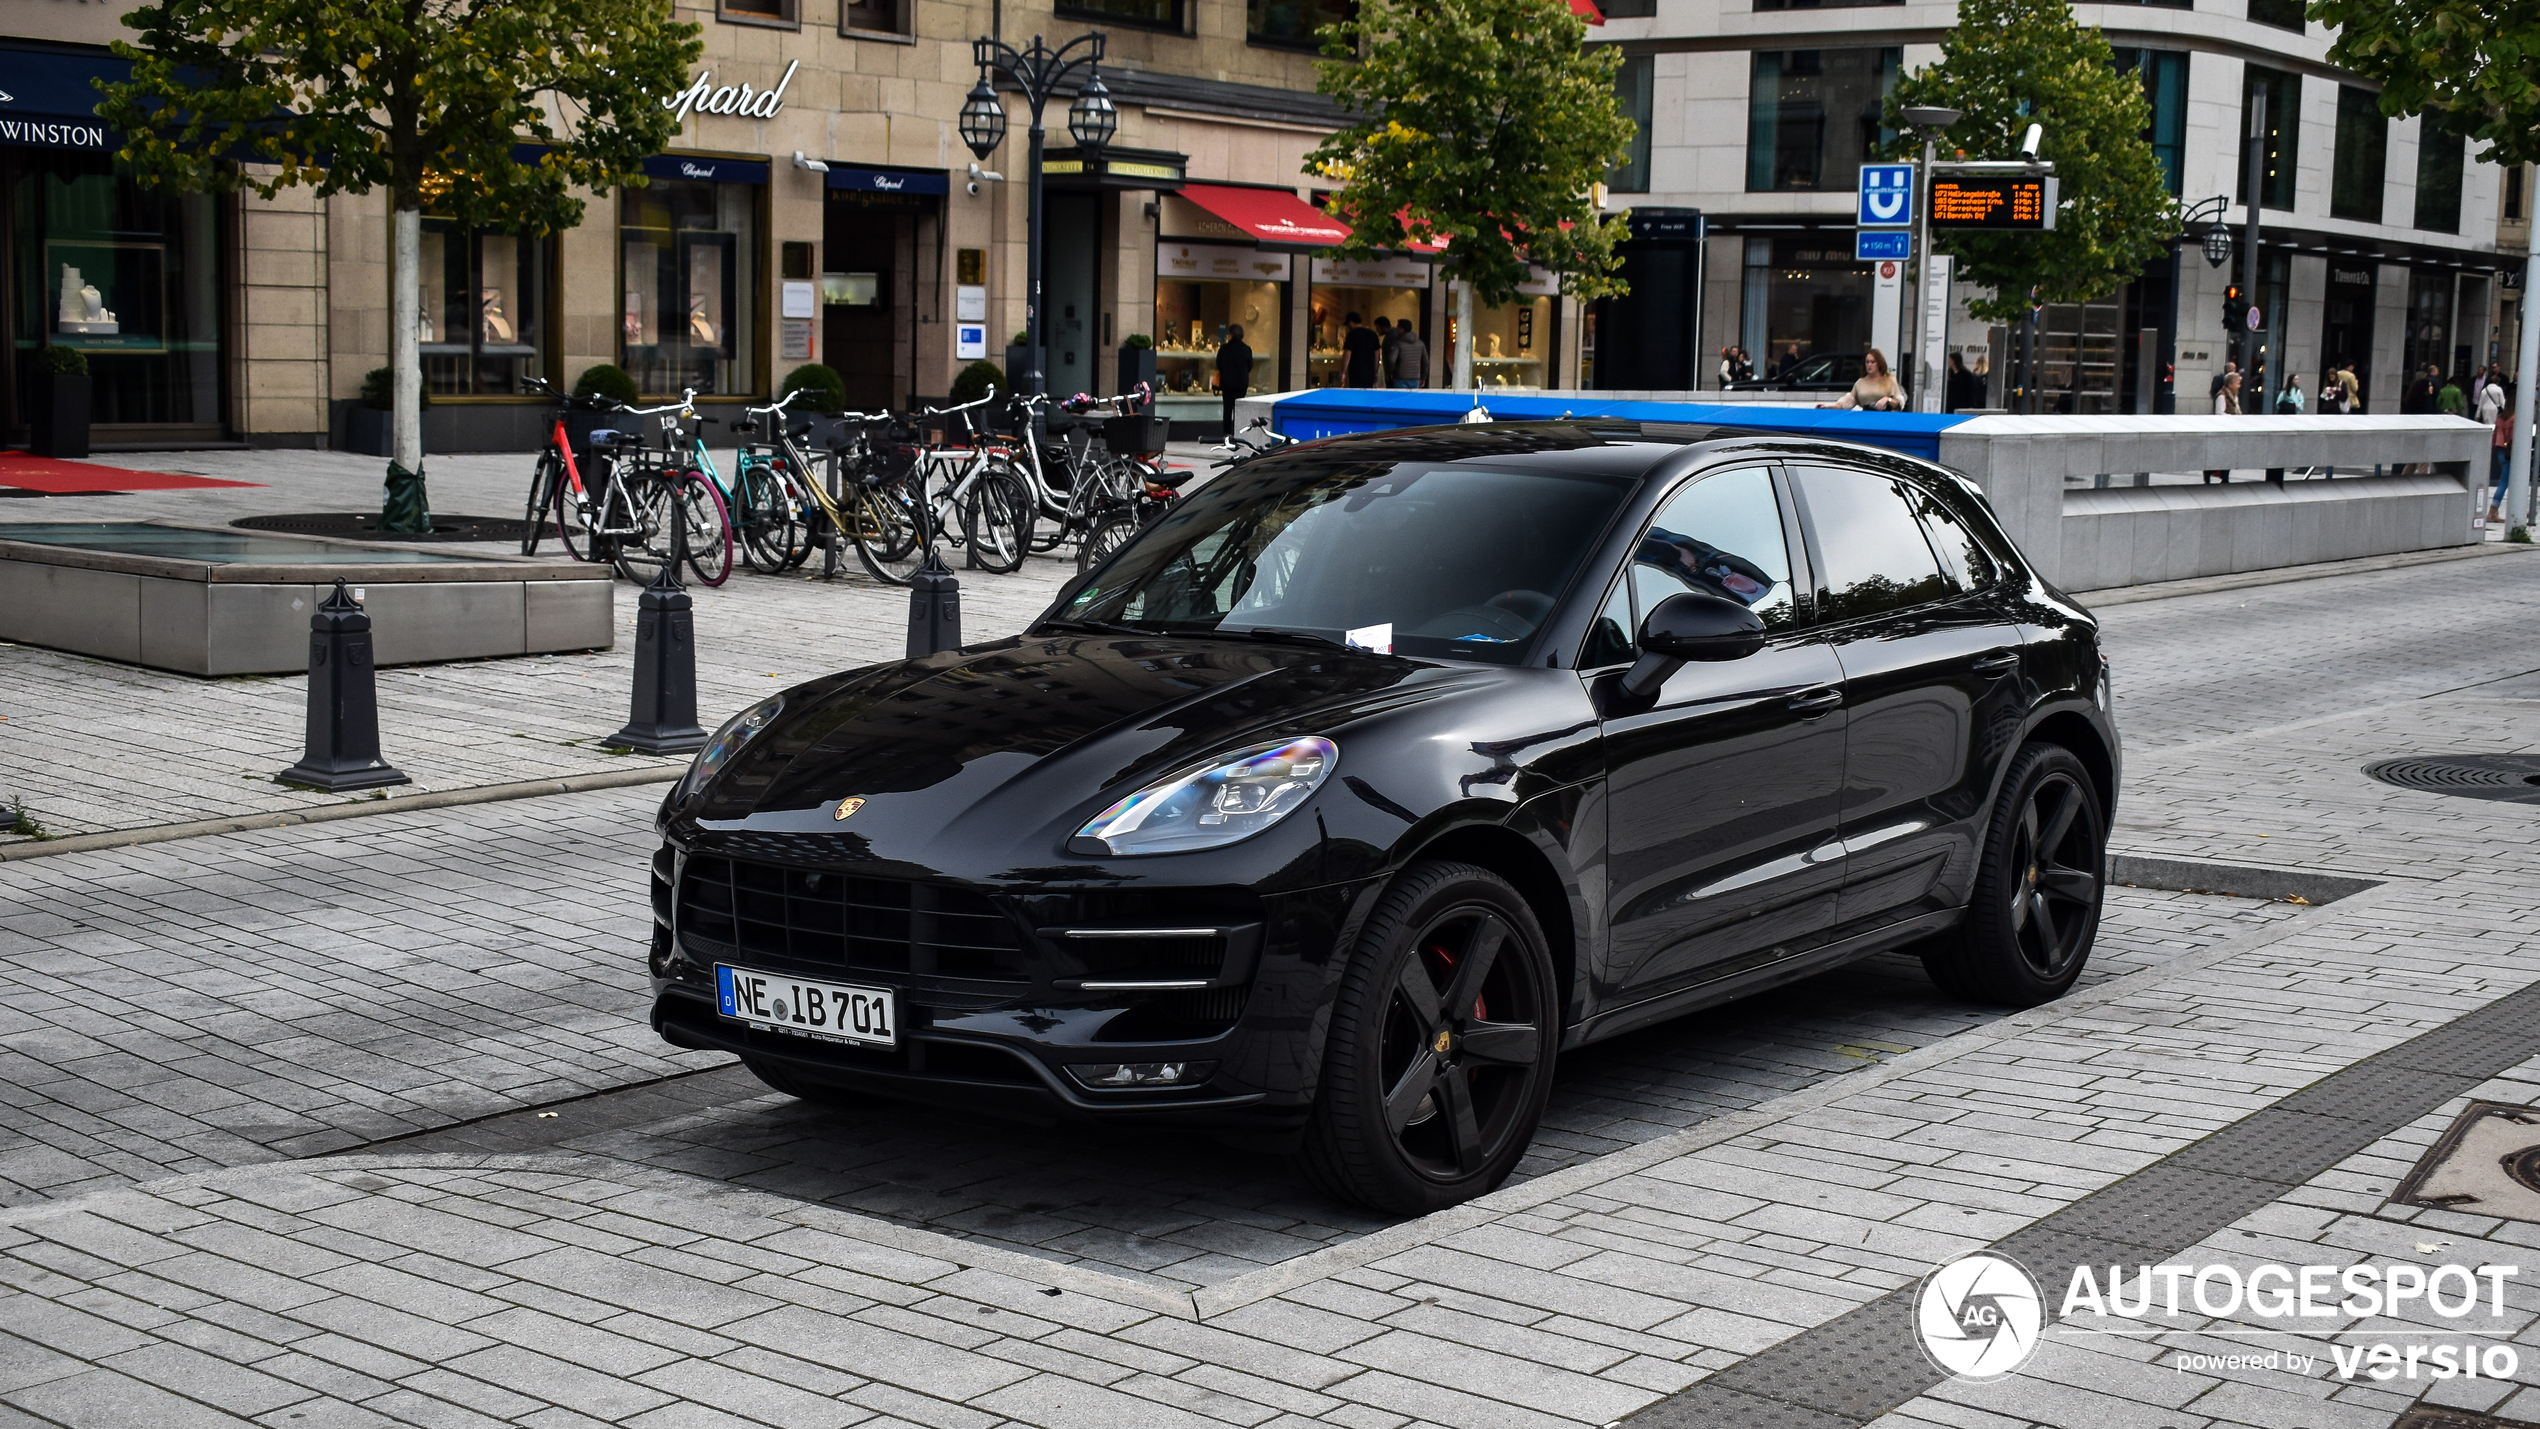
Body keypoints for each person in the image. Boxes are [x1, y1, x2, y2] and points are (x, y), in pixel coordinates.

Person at [1822, 348, 1904, 411]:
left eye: (1872, 362)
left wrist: (1887, 400)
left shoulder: (1890, 380)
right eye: (1867, 362)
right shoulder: (1860, 383)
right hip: (1865, 419)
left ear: (1879, 363)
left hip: (1885, 419)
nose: (1869, 365)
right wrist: (1829, 406)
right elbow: (1848, 401)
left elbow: (1899, 402)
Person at [2205, 371, 2242, 483]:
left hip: (2231, 430)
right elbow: (2219, 413)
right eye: (2237, 383)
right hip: (2223, 430)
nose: (2239, 386)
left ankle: (2225, 477)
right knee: (2221, 455)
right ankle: (2209, 473)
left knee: (2229, 455)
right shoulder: (2222, 396)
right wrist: (2233, 417)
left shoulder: (2234, 396)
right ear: (2230, 384)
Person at [1216, 323, 1253, 435]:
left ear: (1230, 334)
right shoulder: (1246, 349)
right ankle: (1238, 432)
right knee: (1239, 409)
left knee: (1227, 410)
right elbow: (1250, 365)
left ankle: (1227, 433)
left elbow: (1219, 364)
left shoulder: (1224, 349)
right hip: (1241, 384)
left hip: (1227, 384)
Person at [2492, 381, 2517, 523]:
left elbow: (2495, 436)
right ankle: (2493, 510)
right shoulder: (2514, 419)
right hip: (2510, 452)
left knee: (2507, 480)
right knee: (2504, 482)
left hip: (2500, 450)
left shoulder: (2500, 418)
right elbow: (2513, 437)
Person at [1341, 312, 1380, 388]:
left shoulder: (1351, 335)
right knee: (1368, 395)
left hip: (1355, 372)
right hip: (1370, 372)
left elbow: (1347, 355)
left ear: (1350, 323)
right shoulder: (1373, 334)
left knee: (1356, 395)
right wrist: (1375, 372)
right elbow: (1377, 355)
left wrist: (1342, 373)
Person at [1390, 321, 1428, 389]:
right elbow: (1425, 361)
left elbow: (1392, 360)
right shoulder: (1420, 343)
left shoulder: (1398, 343)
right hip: (1415, 377)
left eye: (1398, 327)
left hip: (1400, 377)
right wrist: (1423, 377)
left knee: (1401, 398)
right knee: (1412, 399)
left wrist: (1390, 372)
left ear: (1402, 329)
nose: (1396, 329)